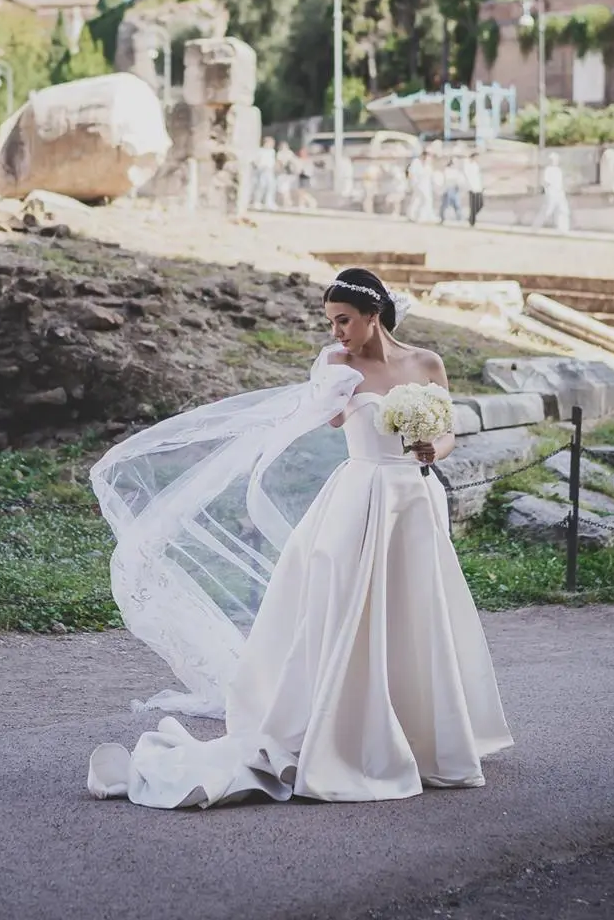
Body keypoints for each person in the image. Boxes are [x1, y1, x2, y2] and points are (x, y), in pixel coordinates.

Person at [86, 269, 512, 808]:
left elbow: (446, 431)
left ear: (373, 315)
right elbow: (332, 420)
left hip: (414, 500)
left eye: (344, 320)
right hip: (360, 497)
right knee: (347, 606)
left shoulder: (427, 363)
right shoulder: (337, 365)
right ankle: (347, 733)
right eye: (331, 321)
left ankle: (423, 736)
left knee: (415, 610)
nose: (336, 331)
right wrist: (330, 384)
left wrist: (435, 449)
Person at [535, 152, 571, 232]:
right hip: (552, 193)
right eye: (554, 159)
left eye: (556, 159)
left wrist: (562, 190)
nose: (556, 161)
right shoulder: (548, 170)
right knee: (547, 211)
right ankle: (536, 227)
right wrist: (549, 192)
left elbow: (561, 182)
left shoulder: (558, 170)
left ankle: (563, 229)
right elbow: (546, 182)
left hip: (560, 193)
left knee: (563, 210)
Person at [253, 136, 280, 210]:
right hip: (262, 170)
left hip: (270, 171)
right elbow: (257, 161)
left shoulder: (272, 151)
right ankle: (257, 202)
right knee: (261, 186)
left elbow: (272, 161)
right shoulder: (260, 151)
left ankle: (269, 202)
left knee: (271, 187)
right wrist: (260, 167)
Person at [441, 155, 468, 223]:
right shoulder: (447, 169)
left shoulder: (457, 170)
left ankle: (459, 217)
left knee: (457, 204)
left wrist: (459, 185)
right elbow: (446, 179)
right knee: (446, 204)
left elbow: (460, 179)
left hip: (455, 188)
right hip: (448, 188)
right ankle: (443, 217)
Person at [463, 151, 484, 227]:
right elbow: (467, 177)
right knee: (473, 205)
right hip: (471, 188)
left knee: (480, 204)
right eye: (476, 157)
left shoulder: (476, 165)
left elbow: (478, 177)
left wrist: (481, 186)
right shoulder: (468, 165)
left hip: (478, 187)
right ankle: (472, 221)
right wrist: (470, 187)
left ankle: (471, 217)